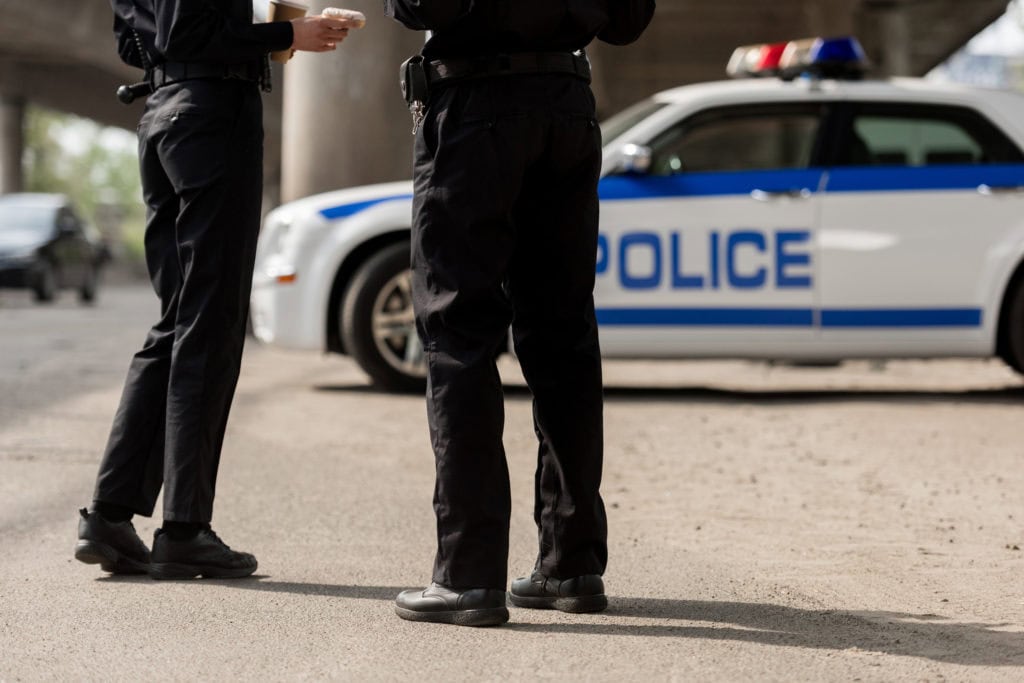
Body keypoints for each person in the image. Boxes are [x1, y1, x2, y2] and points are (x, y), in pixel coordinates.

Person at [386, 0, 656, 626]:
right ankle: (570, 564)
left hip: (476, 107)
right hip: (565, 106)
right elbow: (628, 20)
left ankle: (467, 575)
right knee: (564, 337)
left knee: (459, 335)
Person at [74, 0, 356, 580]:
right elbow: (188, 32)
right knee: (210, 322)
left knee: (178, 322)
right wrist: (288, 31)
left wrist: (261, 23)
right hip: (212, 119)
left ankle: (109, 516)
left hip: (164, 115)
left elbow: (135, 42)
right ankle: (184, 529)